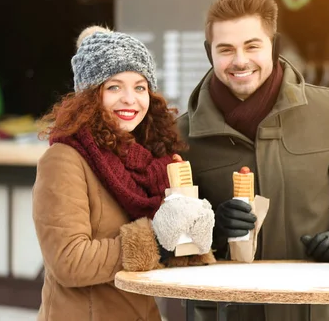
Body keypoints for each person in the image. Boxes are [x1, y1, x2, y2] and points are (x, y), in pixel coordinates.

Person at [177, 0, 329, 321]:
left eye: (252, 46)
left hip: (318, 310)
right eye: (226, 49)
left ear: (274, 46)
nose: (240, 60)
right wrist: (213, 229)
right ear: (210, 53)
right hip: (227, 313)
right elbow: (173, 235)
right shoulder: (183, 135)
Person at [33, 26, 206, 321]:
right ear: (89, 96)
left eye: (140, 87)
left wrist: (210, 231)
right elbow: (69, 262)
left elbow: (178, 247)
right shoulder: (64, 159)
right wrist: (158, 240)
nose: (130, 99)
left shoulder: (150, 161)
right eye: (114, 87)